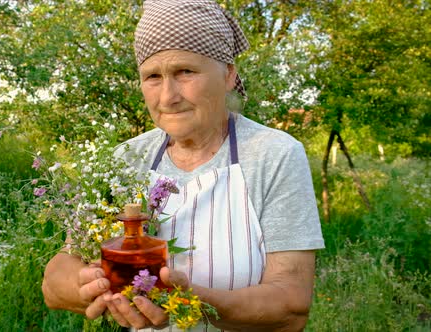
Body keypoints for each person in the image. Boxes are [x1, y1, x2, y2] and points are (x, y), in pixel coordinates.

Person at [41, 0, 325, 330]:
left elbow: (290, 306)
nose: (167, 97)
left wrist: (191, 301)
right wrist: (85, 284)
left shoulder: (272, 155)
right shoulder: (126, 160)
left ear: (229, 74)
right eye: (152, 76)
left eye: (185, 72)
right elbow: (55, 279)